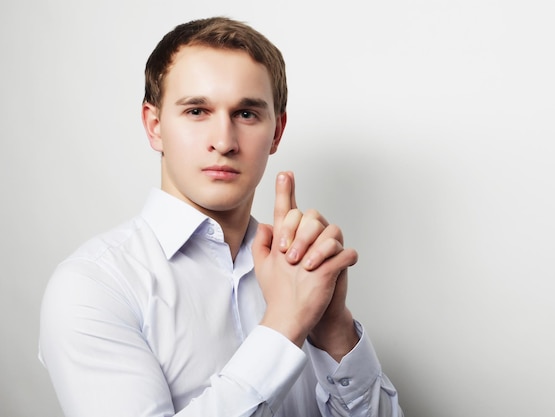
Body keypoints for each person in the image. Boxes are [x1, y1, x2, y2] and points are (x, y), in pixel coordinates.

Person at [39, 16, 403, 417]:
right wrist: (285, 322)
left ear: (277, 132)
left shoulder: (298, 269)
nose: (224, 142)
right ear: (154, 125)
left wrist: (333, 327)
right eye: (197, 111)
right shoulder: (94, 285)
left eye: (246, 114)